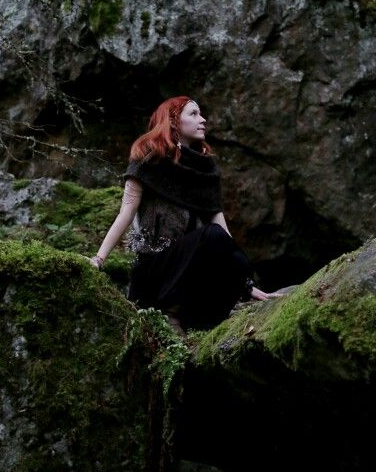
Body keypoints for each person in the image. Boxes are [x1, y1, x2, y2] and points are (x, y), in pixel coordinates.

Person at [90, 96, 283, 335]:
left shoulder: (205, 169)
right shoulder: (148, 157)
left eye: (201, 114)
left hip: (190, 271)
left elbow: (221, 232)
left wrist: (244, 282)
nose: (202, 120)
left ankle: (193, 320)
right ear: (173, 122)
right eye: (193, 114)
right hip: (156, 271)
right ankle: (168, 312)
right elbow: (126, 211)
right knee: (211, 237)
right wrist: (98, 260)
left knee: (216, 240)